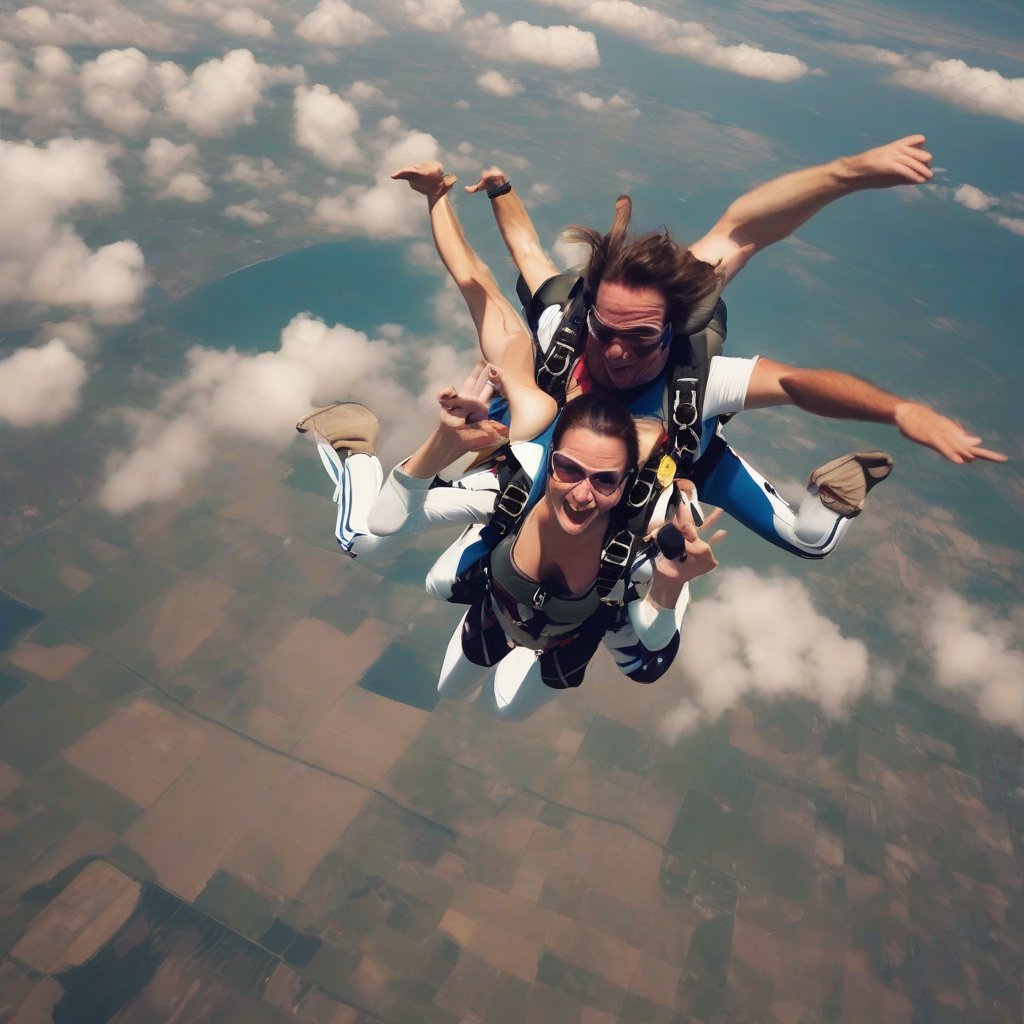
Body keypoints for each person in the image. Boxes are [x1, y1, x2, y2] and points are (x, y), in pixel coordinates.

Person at [460, 136, 1005, 557]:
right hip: (587, 455)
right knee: (494, 511)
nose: (621, 351)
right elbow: (526, 252)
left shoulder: (684, 345)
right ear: (593, 315)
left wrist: (847, 174)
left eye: (643, 337)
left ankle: (833, 491)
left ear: (671, 328)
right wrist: (502, 192)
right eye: (608, 331)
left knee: (811, 539)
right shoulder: (565, 327)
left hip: (687, 457)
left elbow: (746, 236)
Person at [368, 384, 723, 720]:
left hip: (564, 641)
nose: (582, 495)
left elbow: (655, 640)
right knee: (451, 690)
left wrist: (672, 581)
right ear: (550, 460)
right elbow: (387, 521)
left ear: (626, 482)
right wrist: (443, 439)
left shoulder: (634, 545)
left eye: (604, 479)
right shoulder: (509, 496)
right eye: (569, 468)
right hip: (502, 614)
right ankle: (358, 454)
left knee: (507, 711)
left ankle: (527, 645)